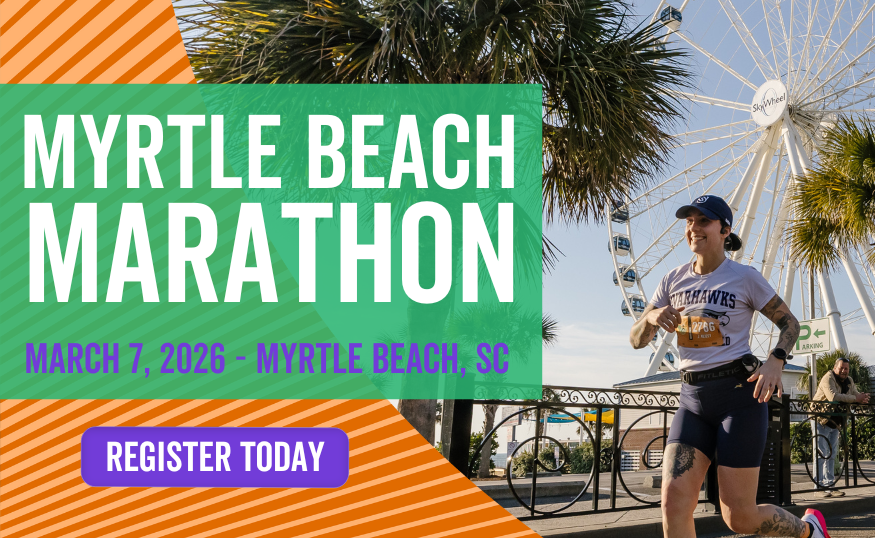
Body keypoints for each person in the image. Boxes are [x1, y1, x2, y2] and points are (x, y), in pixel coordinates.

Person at [629, 195, 829, 538]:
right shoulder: (671, 280)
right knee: (672, 502)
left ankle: (809, 530)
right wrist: (650, 315)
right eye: (689, 221)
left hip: (739, 398)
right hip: (692, 400)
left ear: (725, 230)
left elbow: (790, 324)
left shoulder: (744, 278)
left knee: (738, 518)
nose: (694, 228)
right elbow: (636, 340)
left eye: (703, 221)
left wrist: (775, 361)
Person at [812, 356, 870, 497]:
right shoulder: (828, 378)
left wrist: (861, 398)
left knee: (832, 455)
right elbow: (833, 397)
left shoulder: (849, 380)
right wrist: (855, 399)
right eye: (842, 368)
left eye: (846, 368)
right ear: (835, 368)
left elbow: (854, 394)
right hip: (821, 419)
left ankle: (830, 486)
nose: (844, 371)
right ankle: (817, 488)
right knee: (821, 453)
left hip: (836, 422)